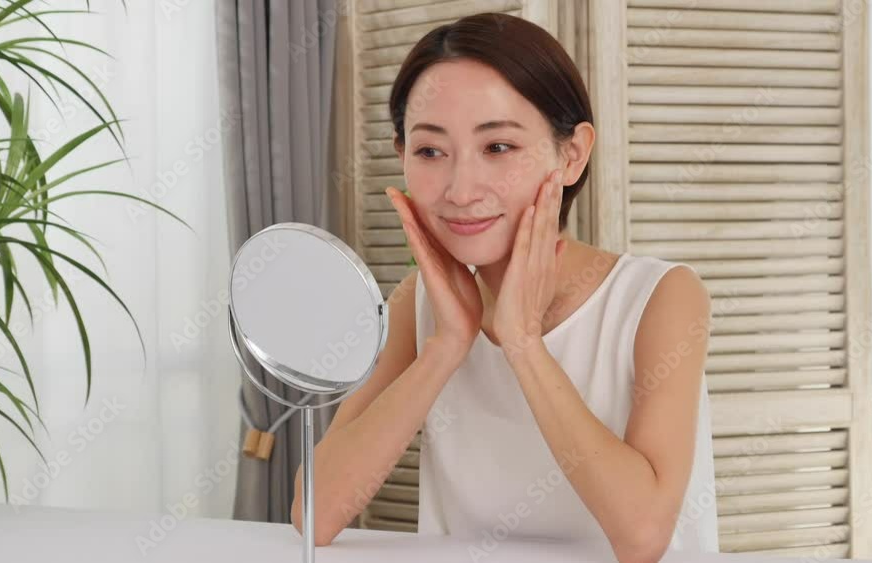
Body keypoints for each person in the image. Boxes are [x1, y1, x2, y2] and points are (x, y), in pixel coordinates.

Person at [292, 13, 719, 561]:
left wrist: (522, 343)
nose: (461, 189)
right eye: (430, 151)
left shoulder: (660, 297)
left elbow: (642, 538)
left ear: (572, 154)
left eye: (497, 147)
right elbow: (315, 514)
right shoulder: (419, 305)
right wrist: (446, 346)